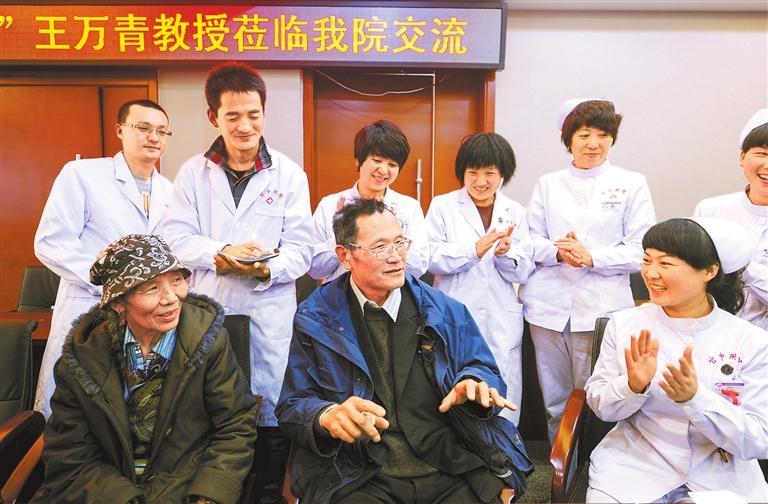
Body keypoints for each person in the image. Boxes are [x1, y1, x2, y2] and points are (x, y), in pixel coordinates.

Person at [276, 199, 532, 504]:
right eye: (380, 247)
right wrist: (326, 415)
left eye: (400, 243)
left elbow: (482, 368)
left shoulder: (443, 310)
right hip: (358, 471)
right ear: (345, 256)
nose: (396, 257)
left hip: (447, 462)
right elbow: (293, 403)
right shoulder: (317, 318)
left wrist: (474, 381)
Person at [160, 62, 312, 503]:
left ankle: (266, 494)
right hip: (211, 309)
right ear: (214, 117)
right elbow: (174, 238)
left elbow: (302, 249)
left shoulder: (289, 174)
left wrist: (264, 269)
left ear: (264, 113)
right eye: (233, 116)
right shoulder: (193, 173)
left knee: (269, 417)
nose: (245, 126)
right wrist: (222, 254)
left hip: (267, 312)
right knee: (212, 415)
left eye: (253, 114)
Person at [34, 234, 258, 504]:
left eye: (177, 281)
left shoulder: (209, 342)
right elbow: (70, 450)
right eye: (151, 289)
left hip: (183, 486)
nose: (171, 298)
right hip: (106, 491)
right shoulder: (83, 358)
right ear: (118, 303)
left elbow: (235, 426)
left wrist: (208, 495)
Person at [585, 218, 768, 503]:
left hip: (719, 473)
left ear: (709, 271)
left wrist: (695, 399)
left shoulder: (750, 341)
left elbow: (760, 438)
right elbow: (601, 407)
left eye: (666, 264)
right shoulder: (624, 325)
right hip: (634, 465)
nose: (651, 273)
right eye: (647, 260)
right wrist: (632, 386)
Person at [519, 98, 657, 442]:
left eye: (602, 135)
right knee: (554, 399)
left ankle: (594, 461)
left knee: (597, 395)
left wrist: (591, 256)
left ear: (612, 138)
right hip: (548, 307)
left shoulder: (631, 183)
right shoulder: (548, 184)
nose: (593, 143)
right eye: (584, 135)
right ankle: (559, 464)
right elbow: (529, 242)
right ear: (569, 140)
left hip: (600, 307)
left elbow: (640, 250)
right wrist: (559, 252)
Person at [34, 99, 175, 418]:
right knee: (74, 412)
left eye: (162, 131)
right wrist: (114, 284)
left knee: (130, 415)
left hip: (144, 317)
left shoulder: (170, 191)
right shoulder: (82, 175)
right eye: (143, 127)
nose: (154, 137)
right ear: (120, 130)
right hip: (89, 308)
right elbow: (51, 242)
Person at [425, 132, 534, 425]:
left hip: (501, 317)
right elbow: (430, 256)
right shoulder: (443, 206)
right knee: (455, 386)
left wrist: (505, 254)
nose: (481, 181)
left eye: (490, 173)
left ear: (503, 174)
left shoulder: (515, 212)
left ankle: (506, 446)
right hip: (454, 312)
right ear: (462, 172)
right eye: (473, 172)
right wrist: (472, 251)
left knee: (503, 388)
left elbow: (524, 269)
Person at [309, 119, 429, 283]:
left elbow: (419, 267)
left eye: (392, 164)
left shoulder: (409, 207)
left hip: (392, 296)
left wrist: (393, 231)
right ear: (358, 160)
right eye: (377, 161)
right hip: (340, 296)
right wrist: (341, 234)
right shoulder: (329, 205)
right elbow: (314, 269)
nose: (383, 170)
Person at [694, 108, 768, 331]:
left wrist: (739, 262)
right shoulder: (711, 210)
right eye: (762, 154)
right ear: (742, 157)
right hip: (710, 333)